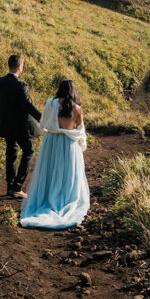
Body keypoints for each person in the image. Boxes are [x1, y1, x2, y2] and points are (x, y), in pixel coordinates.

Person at [19, 80, 90, 229]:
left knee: (49, 172)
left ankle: (48, 197)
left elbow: (43, 122)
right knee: (68, 174)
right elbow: (79, 129)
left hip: (51, 142)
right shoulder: (77, 109)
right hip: (68, 144)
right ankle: (64, 199)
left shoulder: (50, 104)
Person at [0, 54, 42, 198]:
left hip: (6, 124)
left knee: (11, 153)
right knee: (29, 151)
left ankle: (10, 187)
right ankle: (18, 186)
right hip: (22, 126)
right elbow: (28, 105)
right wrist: (43, 119)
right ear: (20, 67)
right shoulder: (21, 84)